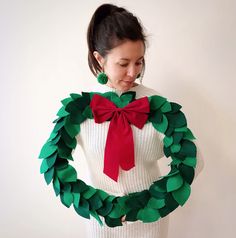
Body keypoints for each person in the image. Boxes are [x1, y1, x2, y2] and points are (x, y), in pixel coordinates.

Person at [75, 3, 204, 238]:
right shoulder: (80, 110)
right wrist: (89, 200)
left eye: (139, 61)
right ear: (99, 59)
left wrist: (152, 202)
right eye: (123, 64)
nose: (133, 72)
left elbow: (195, 160)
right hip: (101, 224)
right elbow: (57, 162)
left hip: (149, 224)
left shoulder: (155, 104)